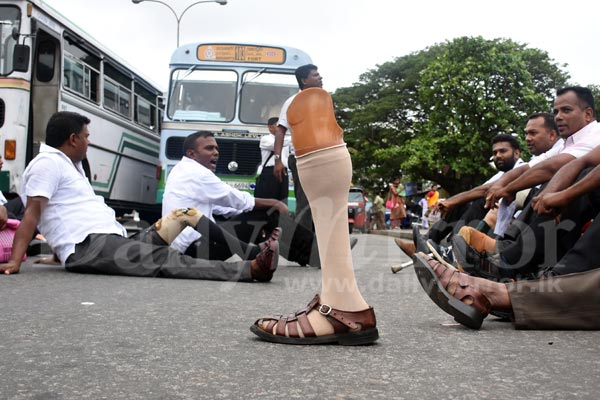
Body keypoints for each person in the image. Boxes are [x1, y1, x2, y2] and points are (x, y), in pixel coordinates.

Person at [0, 111, 278, 283]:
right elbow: (33, 214)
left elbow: (65, 215)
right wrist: (16, 260)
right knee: (163, 259)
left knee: (185, 215)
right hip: (92, 247)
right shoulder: (47, 164)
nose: (89, 141)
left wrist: (59, 254)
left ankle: (251, 251)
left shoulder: (70, 165)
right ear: (72, 139)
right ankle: (250, 270)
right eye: (86, 136)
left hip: (109, 242)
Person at [250, 64, 378, 345]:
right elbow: (282, 132)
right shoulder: (293, 103)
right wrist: (280, 158)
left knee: (320, 211)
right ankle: (343, 301)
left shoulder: (316, 99)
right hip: (310, 159)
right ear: (303, 79)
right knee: (315, 212)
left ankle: (342, 304)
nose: (319, 77)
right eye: (315, 74)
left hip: (321, 161)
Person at [458, 87, 600, 278]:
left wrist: (555, 195)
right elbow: (533, 168)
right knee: (548, 188)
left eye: (566, 110)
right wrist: (506, 187)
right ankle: (508, 253)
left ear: (588, 114)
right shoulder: (569, 143)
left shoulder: (595, 134)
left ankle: (518, 263)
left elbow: (553, 168)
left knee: (564, 182)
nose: (558, 116)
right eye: (556, 111)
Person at [163, 131, 316, 266]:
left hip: (190, 249)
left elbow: (221, 207)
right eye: (209, 148)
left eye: (216, 148)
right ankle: (317, 252)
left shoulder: (181, 170)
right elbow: (234, 198)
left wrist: (245, 215)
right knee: (265, 213)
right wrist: (274, 203)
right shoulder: (196, 173)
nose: (216, 152)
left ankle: (306, 256)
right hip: (196, 249)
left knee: (258, 222)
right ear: (191, 154)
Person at [395, 134, 524, 257]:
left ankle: (451, 250)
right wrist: (452, 202)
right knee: (461, 205)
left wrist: (452, 201)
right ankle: (426, 242)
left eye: (503, 151)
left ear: (517, 153)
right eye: (495, 153)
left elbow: (483, 191)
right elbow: (478, 189)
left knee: (480, 200)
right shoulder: (502, 174)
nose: (498, 156)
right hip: (495, 219)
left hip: (511, 225)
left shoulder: (523, 169)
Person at [254, 117, 290, 202]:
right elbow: (278, 144)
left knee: (283, 199)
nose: (281, 128)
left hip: (283, 171)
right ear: (270, 127)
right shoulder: (265, 139)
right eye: (278, 126)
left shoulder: (286, 139)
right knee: (269, 199)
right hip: (270, 172)